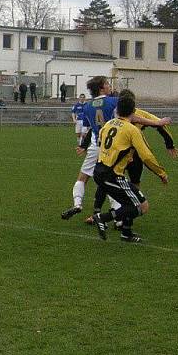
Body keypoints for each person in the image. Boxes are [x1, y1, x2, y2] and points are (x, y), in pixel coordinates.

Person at [61, 76, 169, 222]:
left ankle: (78, 204)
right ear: (101, 88)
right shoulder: (113, 101)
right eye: (107, 84)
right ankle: (118, 219)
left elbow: (90, 129)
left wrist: (83, 145)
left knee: (83, 178)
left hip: (96, 143)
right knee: (115, 180)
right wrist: (157, 122)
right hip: (112, 146)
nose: (109, 86)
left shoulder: (87, 106)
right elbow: (133, 116)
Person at [91, 92, 168, 243]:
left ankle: (126, 233)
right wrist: (161, 173)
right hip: (112, 175)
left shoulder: (109, 124)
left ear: (117, 110)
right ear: (133, 112)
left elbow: (101, 143)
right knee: (141, 206)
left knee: (130, 203)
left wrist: (125, 154)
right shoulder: (132, 130)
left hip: (100, 169)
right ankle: (102, 218)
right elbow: (146, 156)